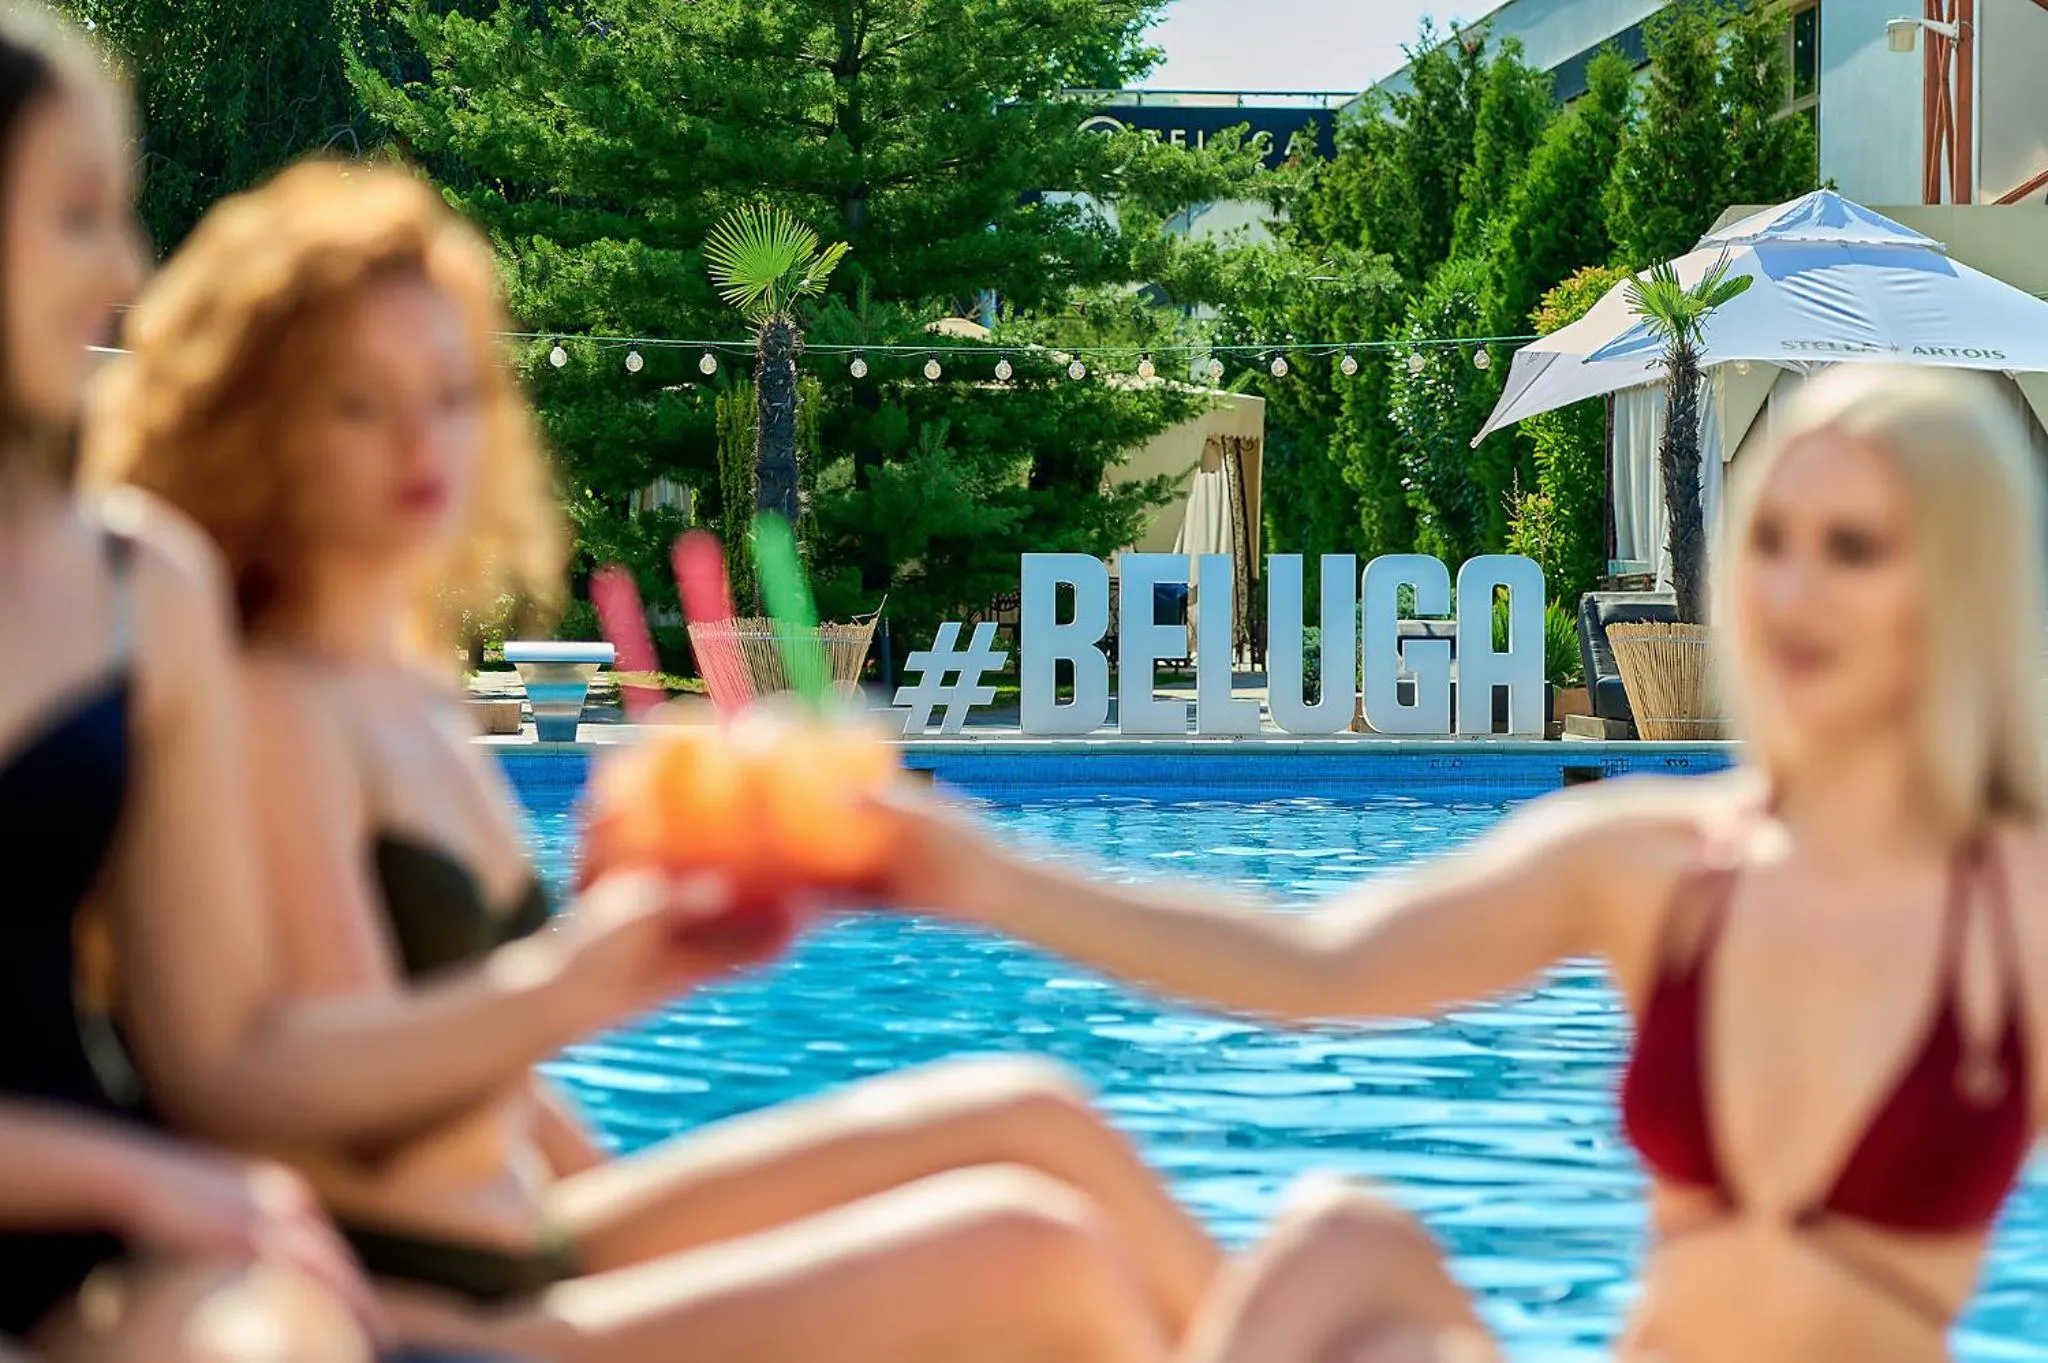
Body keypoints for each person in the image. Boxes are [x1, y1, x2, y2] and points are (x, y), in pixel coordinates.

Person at [88, 157, 1217, 1363]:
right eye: (360, 403)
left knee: (1030, 1115)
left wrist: (635, 1007)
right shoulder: (271, 702)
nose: (422, 439)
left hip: (528, 1238)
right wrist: (583, 978)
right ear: (255, 426)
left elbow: (495, 1087)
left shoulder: (404, 686)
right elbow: (313, 1100)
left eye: (451, 393)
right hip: (424, 1295)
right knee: (1028, 1252)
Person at [878, 364, 2048, 1363]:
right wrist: (982, 873)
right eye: (1772, 541)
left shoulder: (2016, 901)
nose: (1790, 592)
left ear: (1956, 580)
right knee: (1336, 1237)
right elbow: (1316, 964)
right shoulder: (1662, 860)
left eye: (1851, 549)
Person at [0, 4, 381, 1358]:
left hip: (95, 1275)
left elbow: (218, 1054)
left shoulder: (144, 586)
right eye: (79, 215)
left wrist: (595, 976)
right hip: (115, 1191)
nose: (128, 267)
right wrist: (126, 1173)